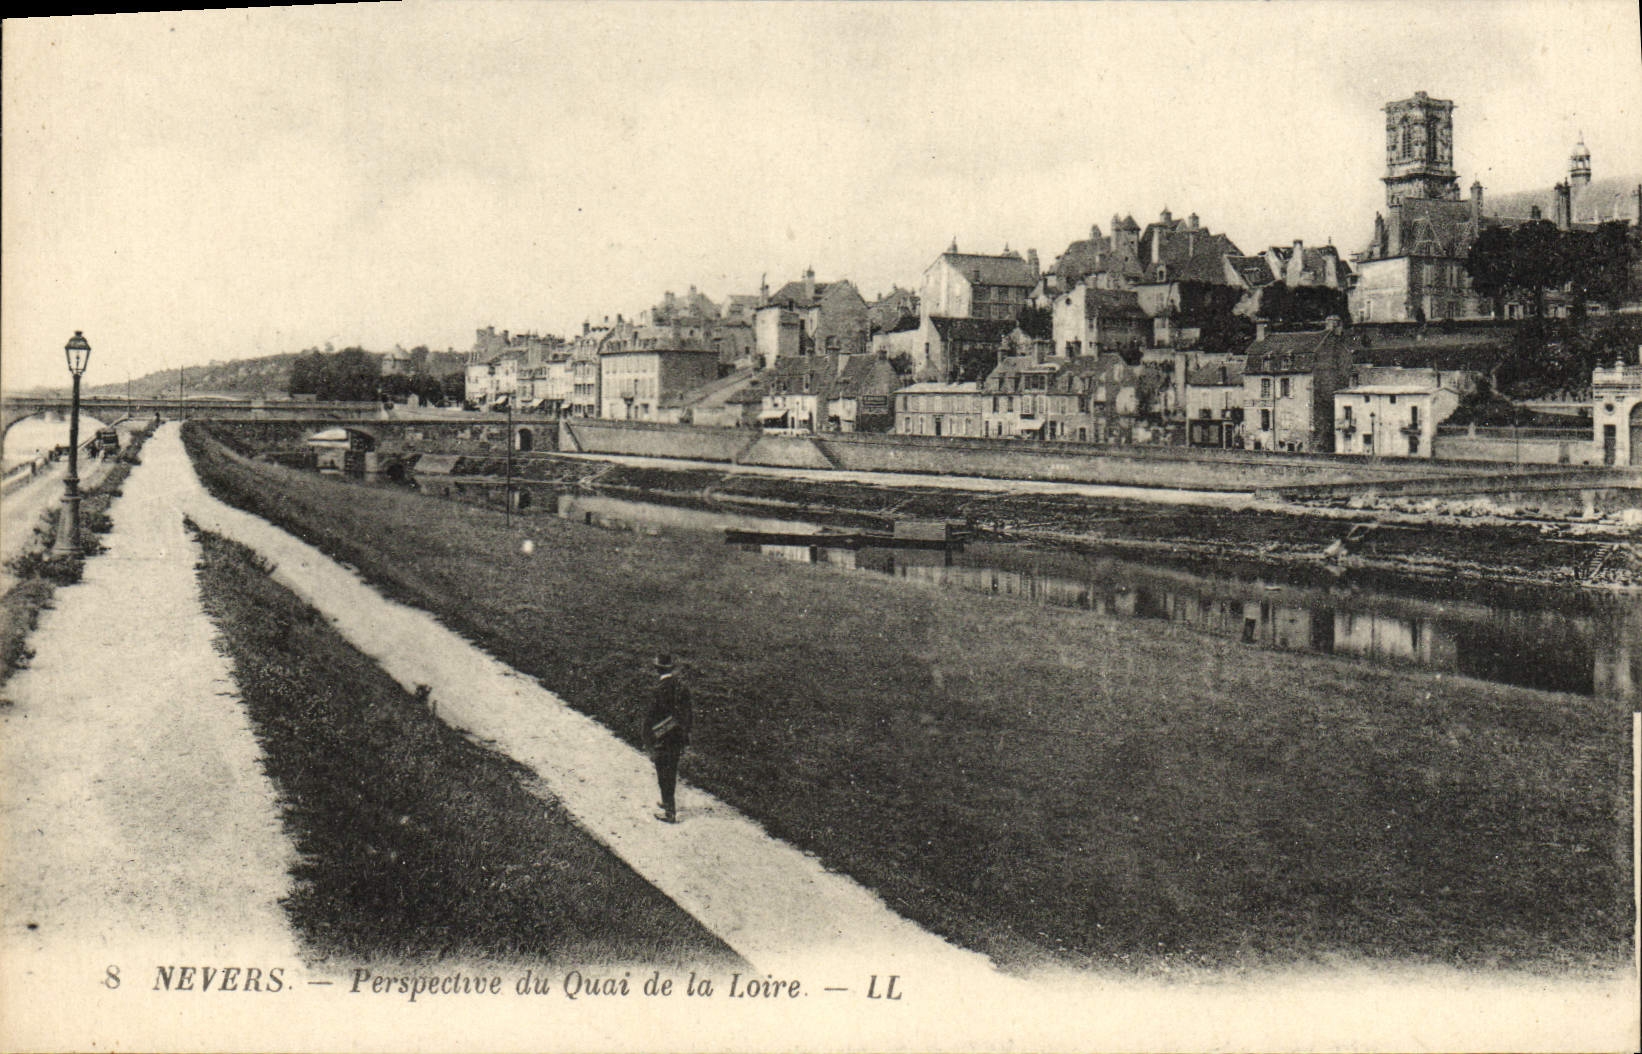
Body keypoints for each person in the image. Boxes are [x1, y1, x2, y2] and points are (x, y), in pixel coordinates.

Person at [642, 653, 693, 823]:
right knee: (670, 770)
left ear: (657, 669)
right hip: (678, 735)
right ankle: (666, 801)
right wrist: (686, 733)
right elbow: (688, 714)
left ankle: (670, 811)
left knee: (664, 772)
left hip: (663, 736)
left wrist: (648, 738)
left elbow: (651, 717)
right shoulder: (681, 687)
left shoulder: (658, 690)